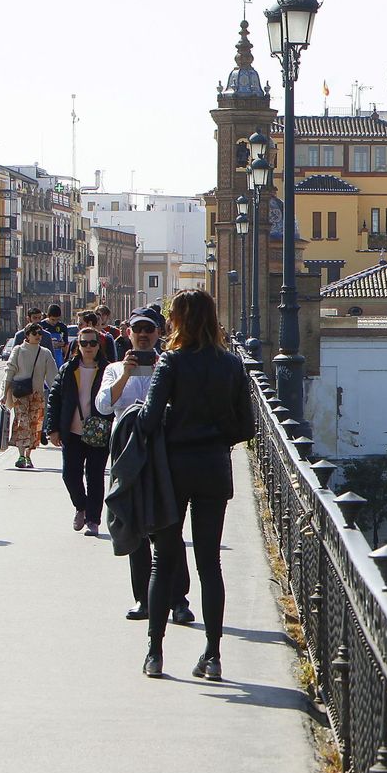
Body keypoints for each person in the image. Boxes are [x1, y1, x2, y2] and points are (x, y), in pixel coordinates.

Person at [137, 289, 251, 679]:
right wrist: (214, 436)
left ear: (180, 321)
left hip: (173, 470)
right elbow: (246, 427)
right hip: (214, 469)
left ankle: (154, 653)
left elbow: (148, 420)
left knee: (163, 561)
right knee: (209, 564)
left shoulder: (171, 361)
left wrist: (171, 421)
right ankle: (213, 656)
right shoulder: (232, 365)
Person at [99, 306, 192, 622]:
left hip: (163, 452)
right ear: (128, 334)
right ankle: (144, 600)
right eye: (137, 329)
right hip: (126, 453)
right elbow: (103, 404)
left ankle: (179, 600)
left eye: (148, 330)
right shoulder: (113, 368)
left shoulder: (167, 364)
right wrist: (126, 373)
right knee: (132, 522)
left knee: (169, 525)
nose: (142, 334)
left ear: (158, 334)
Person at [43, 329, 112, 534]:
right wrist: (52, 429)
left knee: (95, 476)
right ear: (78, 345)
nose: (88, 347)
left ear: (99, 346)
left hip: (99, 433)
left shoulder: (108, 370)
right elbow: (54, 400)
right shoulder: (68, 369)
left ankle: (93, 520)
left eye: (93, 343)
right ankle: (80, 506)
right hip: (72, 431)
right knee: (69, 475)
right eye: (84, 343)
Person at [3, 323, 59, 469]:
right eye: (35, 334)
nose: (38, 337)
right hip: (20, 394)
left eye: (40, 334)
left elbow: (52, 376)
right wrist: (3, 393)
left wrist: (58, 393)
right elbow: (10, 371)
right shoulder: (18, 350)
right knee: (23, 422)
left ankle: (28, 455)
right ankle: (21, 456)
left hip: (37, 394)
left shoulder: (45, 353)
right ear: (27, 335)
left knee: (35, 425)